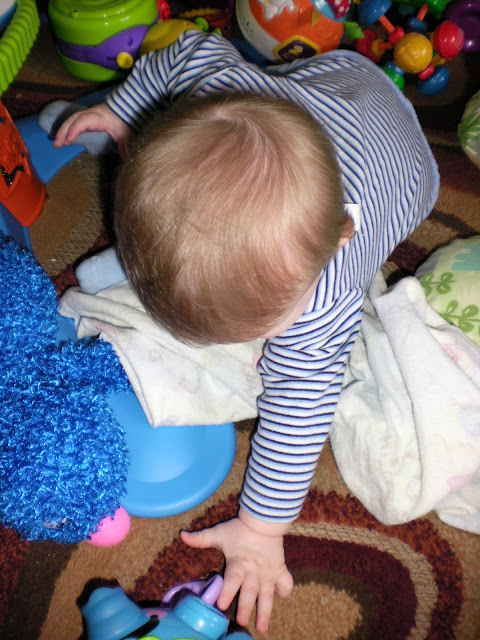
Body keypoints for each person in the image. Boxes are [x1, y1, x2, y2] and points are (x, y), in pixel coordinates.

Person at [54, 30, 439, 632]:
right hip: (339, 81)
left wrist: (261, 529)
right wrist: (124, 108)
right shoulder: (211, 84)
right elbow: (186, 50)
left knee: (305, 368)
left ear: (339, 240)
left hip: (405, 162)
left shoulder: (328, 292)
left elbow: (300, 409)